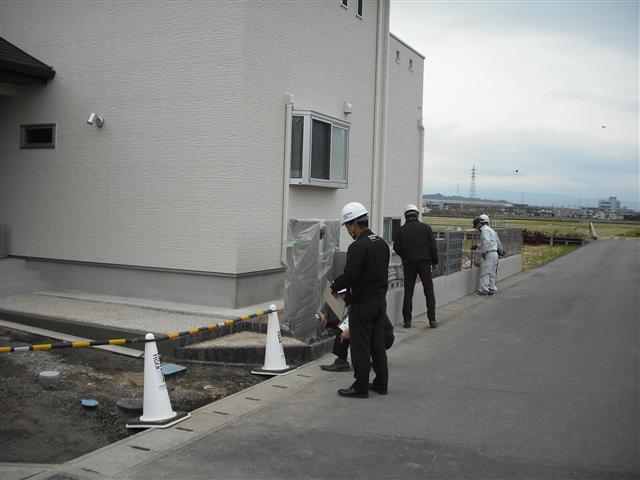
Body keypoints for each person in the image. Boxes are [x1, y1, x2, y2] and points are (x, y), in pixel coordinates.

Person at [331, 201, 390, 398]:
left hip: (362, 305)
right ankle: (381, 383)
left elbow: (351, 276)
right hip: (379, 302)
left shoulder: (357, 247)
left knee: (360, 347)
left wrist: (335, 285)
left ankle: (361, 386)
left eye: (348, 226)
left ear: (354, 223)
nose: (348, 230)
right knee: (377, 345)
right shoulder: (381, 243)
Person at [393, 204, 439, 329]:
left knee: (408, 292)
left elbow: (396, 247)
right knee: (429, 291)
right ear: (417, 215)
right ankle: (432, 320)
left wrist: (405, 256)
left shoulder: (401, 230)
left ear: (406, 216)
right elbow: (433, 247)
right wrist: (434, 262)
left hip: (409, 264)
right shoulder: (426, 228)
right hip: (424, 262)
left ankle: (407, 321)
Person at [318, 307, 395, 372]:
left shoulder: (363, 305)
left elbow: (365, 324)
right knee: (345, 326)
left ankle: (341, 362)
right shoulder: (361, 303)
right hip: (382, 336)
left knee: (344, 330)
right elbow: (346, 321)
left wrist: (352, 332)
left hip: (383, 337)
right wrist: (327, 323)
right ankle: (377, 358)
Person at [471, 214, 503, 295]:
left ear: (479, 224)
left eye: (476, 226)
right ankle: (492, 288)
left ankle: (483, 290)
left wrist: (484, 252)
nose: (476, 228)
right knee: (492, 272)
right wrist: (477, 246)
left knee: (485, 272)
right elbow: (496, 242)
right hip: (494, 253)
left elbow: (486, 241)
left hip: (488, 253)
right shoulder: (491, 230)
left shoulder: (484, 230)